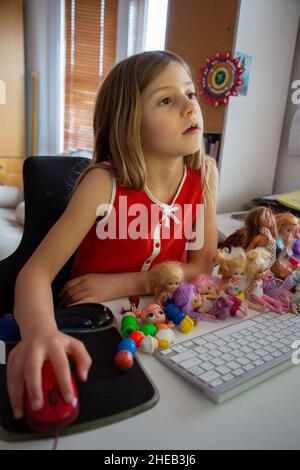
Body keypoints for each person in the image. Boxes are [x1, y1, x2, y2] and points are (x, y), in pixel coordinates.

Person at [8, 50, 218, 420]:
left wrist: (124, 283)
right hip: (95, 323)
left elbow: (201, 265)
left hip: (160, 318)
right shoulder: (103, 183)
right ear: (129, 121)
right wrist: (39, 332)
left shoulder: (205, 177)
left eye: (191, 94)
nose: (190, 108)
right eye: (167, 100)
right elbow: (36, 273)